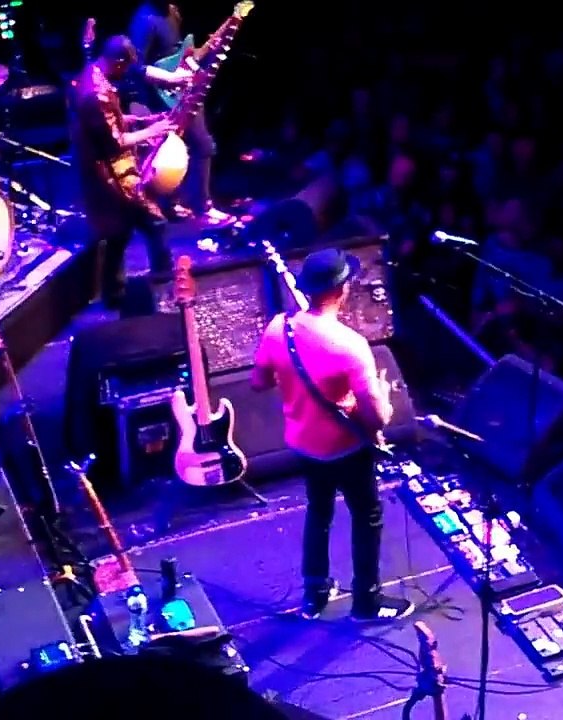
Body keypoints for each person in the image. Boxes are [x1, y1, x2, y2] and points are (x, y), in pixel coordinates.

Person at [250, 248, 413, 622]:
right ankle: (366, 602)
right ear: (342, 290)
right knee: (366, 515)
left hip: (304, 444)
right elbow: (376, 420)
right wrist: (383, 397)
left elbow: (259, 382)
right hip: (346, 448)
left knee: (318, 511)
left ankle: (315, 594)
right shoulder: (350, 346)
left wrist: (294, 379)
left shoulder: (279, 329)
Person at [69, 36, 182, 308]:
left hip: (99, 171)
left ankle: (114, 295)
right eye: (125, 67)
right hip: (109, 176)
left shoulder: (89, 75)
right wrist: (152, 131)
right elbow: (115, 141)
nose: (125, 73)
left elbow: (105, 124)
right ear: (117, 62)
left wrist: (140, 120)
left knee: (119, 233)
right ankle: (163, 284)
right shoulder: (97, 94)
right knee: (154, 222)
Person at [127, 2, 233, 226]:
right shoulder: (145, 20)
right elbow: (136, 67)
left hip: (183, 89)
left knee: (186, 147)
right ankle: (201, 206)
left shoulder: (173, 10)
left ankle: (173, 204)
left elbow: (177, 53)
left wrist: (203, 50)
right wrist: (171, 79)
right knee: (200, 145)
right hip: (163, 95)